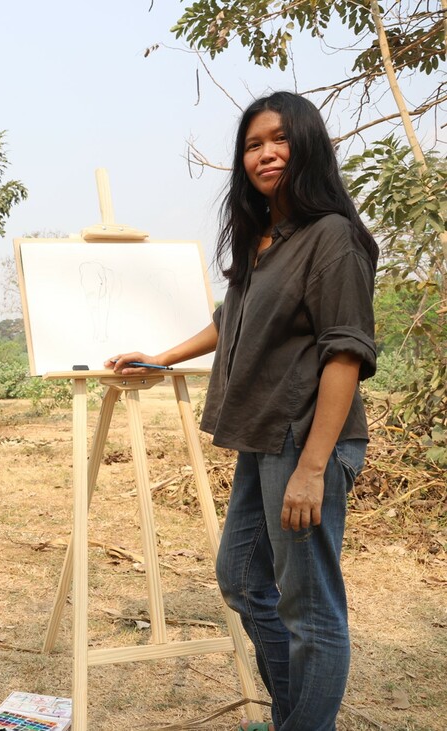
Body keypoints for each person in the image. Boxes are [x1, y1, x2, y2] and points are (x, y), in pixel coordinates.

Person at [104, 91, 377, 731]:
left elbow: (345, 355)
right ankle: (296, 716)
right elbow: (231, 319)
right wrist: (162, 359)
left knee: (311, 610)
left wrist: (313, 469)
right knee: (241, 580)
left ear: (306, 145)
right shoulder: (263, 239)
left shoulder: (331, 238)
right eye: (253, 145)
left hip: (304, 441)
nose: (265, 154)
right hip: (261, 437)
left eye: (278, 139)